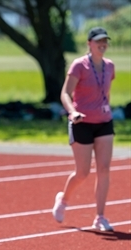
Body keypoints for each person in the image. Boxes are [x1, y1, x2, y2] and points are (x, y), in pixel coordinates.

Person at [52, 27, 115, 231]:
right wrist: (72, 112)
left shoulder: (110, 66)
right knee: (83, 172)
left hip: (104, 122)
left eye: (105, 40)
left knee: (104, 169)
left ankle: (100, 217)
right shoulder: (80, 65)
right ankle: (63, 200)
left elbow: (106, 93)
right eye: (98, 41)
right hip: (82, 122)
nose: (102, 44)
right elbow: (65, 93)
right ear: (89, 43)